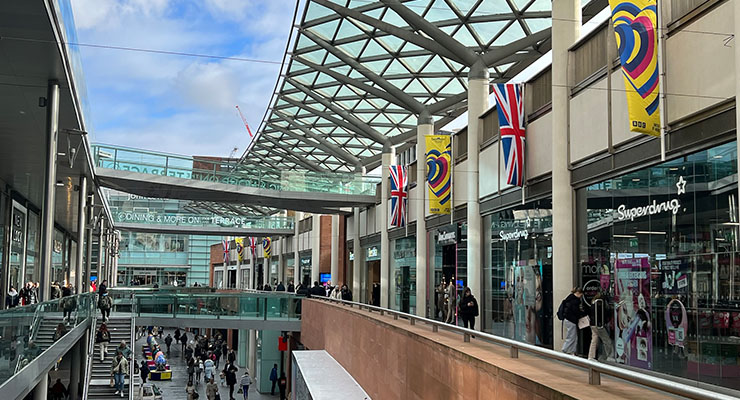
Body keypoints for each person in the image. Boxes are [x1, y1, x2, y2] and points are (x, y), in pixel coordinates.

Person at [559, 287, 588, 355]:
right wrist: (582, 314)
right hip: (571, 320)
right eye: (581, 294)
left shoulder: (569, 298)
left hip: (568, 319)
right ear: (578, 293)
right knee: (572, 336)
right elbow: (575, 311)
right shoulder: (575, 301)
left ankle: (572, 351)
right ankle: (565, 349)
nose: (581, 296)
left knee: (573, 336)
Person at [588, 292, 614, 361]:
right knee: (607, 340)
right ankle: (610, 356)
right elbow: (604, 314)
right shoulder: (600, 305)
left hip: (593, 324)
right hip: (599, 325)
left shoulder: (593, 304)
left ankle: (591, 356)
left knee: (594, 340)